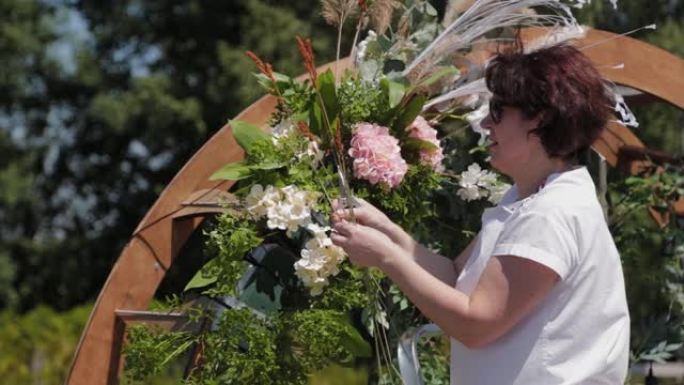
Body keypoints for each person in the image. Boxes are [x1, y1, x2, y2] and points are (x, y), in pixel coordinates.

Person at [330, 43, 630, 385]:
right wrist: (388, 233)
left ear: (541, 118)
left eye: (498, 110)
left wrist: (386, 259)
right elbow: (455, 276)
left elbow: (476, 325)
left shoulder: (551, 213)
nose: (485, 122)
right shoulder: (526, 199)